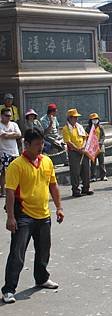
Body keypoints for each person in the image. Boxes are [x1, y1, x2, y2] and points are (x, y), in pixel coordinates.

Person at [1, 128, 64, 304]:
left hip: (44, 214)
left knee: (44, 249)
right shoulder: (16, 165)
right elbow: (10, 192)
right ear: (26, 144)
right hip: (23, 216)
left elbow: (53, 186)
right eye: (37, 144)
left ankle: (42, 278)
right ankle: (8, 289)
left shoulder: (47, 162)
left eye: (42, 143)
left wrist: (59, 207)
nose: (40, 147)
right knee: (17, 254)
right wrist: (11, 217)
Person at [62, 108, 92, 197]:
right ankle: (76, 190)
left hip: (83, 150)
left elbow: (85, 137)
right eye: (74, 117)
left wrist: (83, 146)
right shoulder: (66, 128)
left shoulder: (79, 126)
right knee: (75, 172)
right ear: (70, 118)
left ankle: (86, 188)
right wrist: (78, 149)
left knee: (86, 170)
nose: (76, 119)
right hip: (74, 152)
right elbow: (68, 142)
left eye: (76, 117)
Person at [0, 108, 21, 198]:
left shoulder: (14, 124)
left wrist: (9, 135)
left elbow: (19, 134)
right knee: (4, 172)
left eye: (10, 116)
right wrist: (12, 134)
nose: (8, 117)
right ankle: (3, 191)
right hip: (4, 152)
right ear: (1, 116)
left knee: (16, 172)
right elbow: (3, 135)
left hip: (15, 152)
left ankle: (16, 189)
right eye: (6, 115)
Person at [86, 113, 107, 182]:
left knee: (102, 163)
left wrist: (100, 142)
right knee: (93, 163)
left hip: (100, 147)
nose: (95, 120)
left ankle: (103, 175)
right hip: (92, 148)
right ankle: (93, 176)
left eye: (96, 119)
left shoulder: (100, 127)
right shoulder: (88, 128)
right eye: (93, 119)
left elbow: (103, 136)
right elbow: (86, 136)